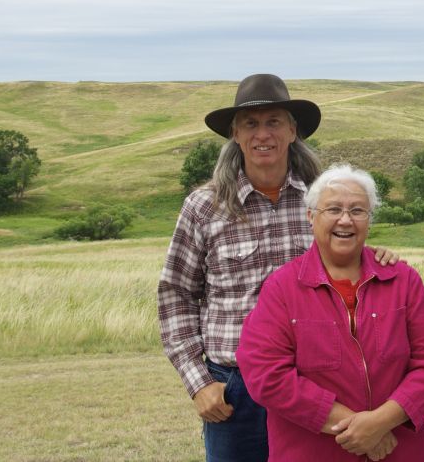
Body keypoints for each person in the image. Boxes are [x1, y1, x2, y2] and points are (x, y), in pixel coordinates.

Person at [158, 74, 398, 462]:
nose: (262, 134)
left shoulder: (321, 200)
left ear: (292, 131)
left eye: (273, 122)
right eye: (250, 124)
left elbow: (347, 259)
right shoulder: (204, 206)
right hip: (235, 388)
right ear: (235, 134)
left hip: (315, 384)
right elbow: (176, 295)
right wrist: (198, 382)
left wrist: (376, 257)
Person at [237, 164, 424, 461]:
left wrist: (380, 422)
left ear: (369, 220)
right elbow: (265, 373)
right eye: (333, 209)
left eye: (358, 211)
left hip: (401, 452)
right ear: (311, 217)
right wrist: (355, 428)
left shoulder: (403, 280)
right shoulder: (282, 288)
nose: (346, 220)